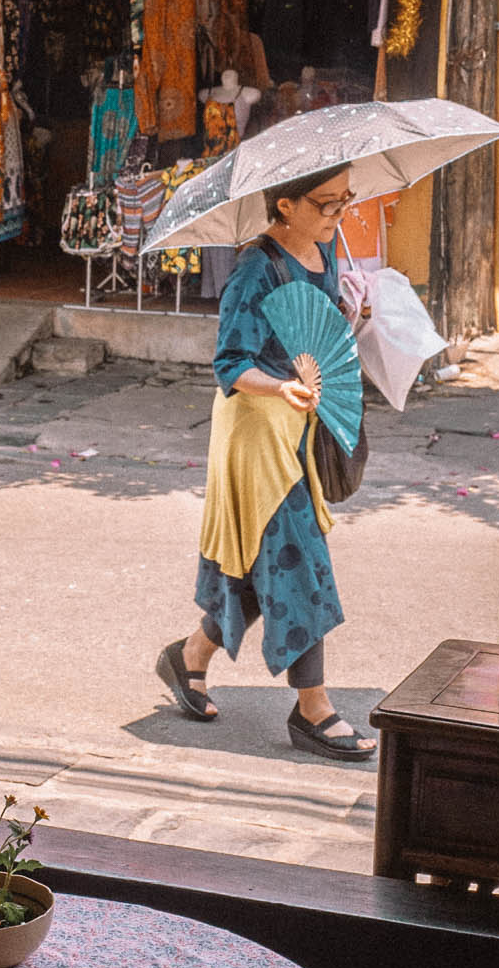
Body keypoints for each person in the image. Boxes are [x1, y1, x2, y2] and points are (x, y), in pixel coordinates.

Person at [155, 164, 378, 758]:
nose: (339, 214)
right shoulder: (255, 271)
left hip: (299, 431)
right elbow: (231, 364)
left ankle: (189, 656)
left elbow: (316, 335)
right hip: (255, 435)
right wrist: (280, 388)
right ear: (285, 205)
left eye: (345, 201)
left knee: (262, 562)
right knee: (298, 558)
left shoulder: (324, 253)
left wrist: (354, 317)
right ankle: (314, 710)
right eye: (328, 203)